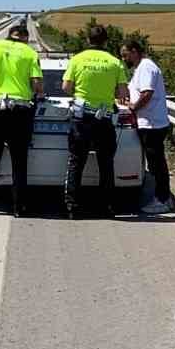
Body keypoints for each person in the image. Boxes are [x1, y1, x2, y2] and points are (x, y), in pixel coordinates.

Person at [0, 22, 42, 216]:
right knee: (19, 161)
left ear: (9, 35)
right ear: (25, 38)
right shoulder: (29, 53)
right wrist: (37, 92)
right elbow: (36, 84)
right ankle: (19, 206)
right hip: (21, 111)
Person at [61, 24, 126, 218]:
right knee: (106, 163)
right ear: (106, 41)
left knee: (76, 161)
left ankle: (72, 206)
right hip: (104, 118)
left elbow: (66, 87)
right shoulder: (115, 62)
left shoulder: (77, 60)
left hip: (82, 118)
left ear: (88, 40)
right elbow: (122, 93)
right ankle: (107, 207)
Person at [120, 38, 174, 215]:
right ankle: (163, 198)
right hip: (150, 123)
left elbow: (147, 93)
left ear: (134, 51)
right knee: (155, 163)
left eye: (125, 55)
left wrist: (134, 107)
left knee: (156, 164)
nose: (124, 59)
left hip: (152, 125)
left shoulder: (146, 67)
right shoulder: (141, 68)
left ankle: (162, 199)